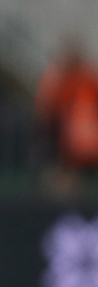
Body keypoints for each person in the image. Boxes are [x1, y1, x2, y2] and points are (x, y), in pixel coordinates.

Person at [35, 38, 98, 194]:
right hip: (69, 145)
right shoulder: (59, 78)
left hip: (79, 144)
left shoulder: (87, 78)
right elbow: (46, 109)